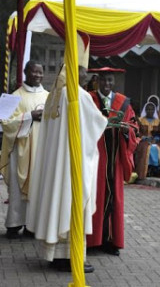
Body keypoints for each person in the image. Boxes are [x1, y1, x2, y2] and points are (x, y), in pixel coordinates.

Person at [26, 35, 107, 273]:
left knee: (59, 202)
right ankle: (72, 257)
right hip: (72, 164)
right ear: (73, 70)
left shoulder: (54, 94)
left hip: (57, 166)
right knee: (71, 204)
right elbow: (96, 123)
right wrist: (106, 121)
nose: (85, 75)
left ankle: (59, 255)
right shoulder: (76, 95)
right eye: (82, 71)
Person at [87, 67, 137, 256]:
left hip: (114, 157)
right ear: (97, 80)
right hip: (95, 157)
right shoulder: (89, 99)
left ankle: (110, 241)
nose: (107, 84)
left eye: (110, 80)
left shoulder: (123, 102)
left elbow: (134, 126)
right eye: (103, 81)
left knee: (114, 198)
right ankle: (93, 240)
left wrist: (126, 130)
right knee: (96, 195)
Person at [0, 61, 49, 239]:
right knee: (16, 188)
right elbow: (5, 123)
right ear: (26, 72)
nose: (37, 75)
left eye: (40, 72)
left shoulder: (48, 97)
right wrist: (30, 116)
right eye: (34, 71)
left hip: (41, 150)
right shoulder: (15, 96)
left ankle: (32, 225)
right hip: (19, 150)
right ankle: (14, 224)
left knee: (37, 187)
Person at [135, 102, 160, 179]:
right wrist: (144, 138)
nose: (150, 111)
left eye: (152, 109)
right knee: (146, 148)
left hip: (155, 141)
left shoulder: (158, 121)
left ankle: (156, 169)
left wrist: (156, 139)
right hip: (143, 140)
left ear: (154, 111)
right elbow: (137, 132)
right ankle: (146, 169)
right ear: (145, 110)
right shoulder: (140, 120)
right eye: (148, 109)